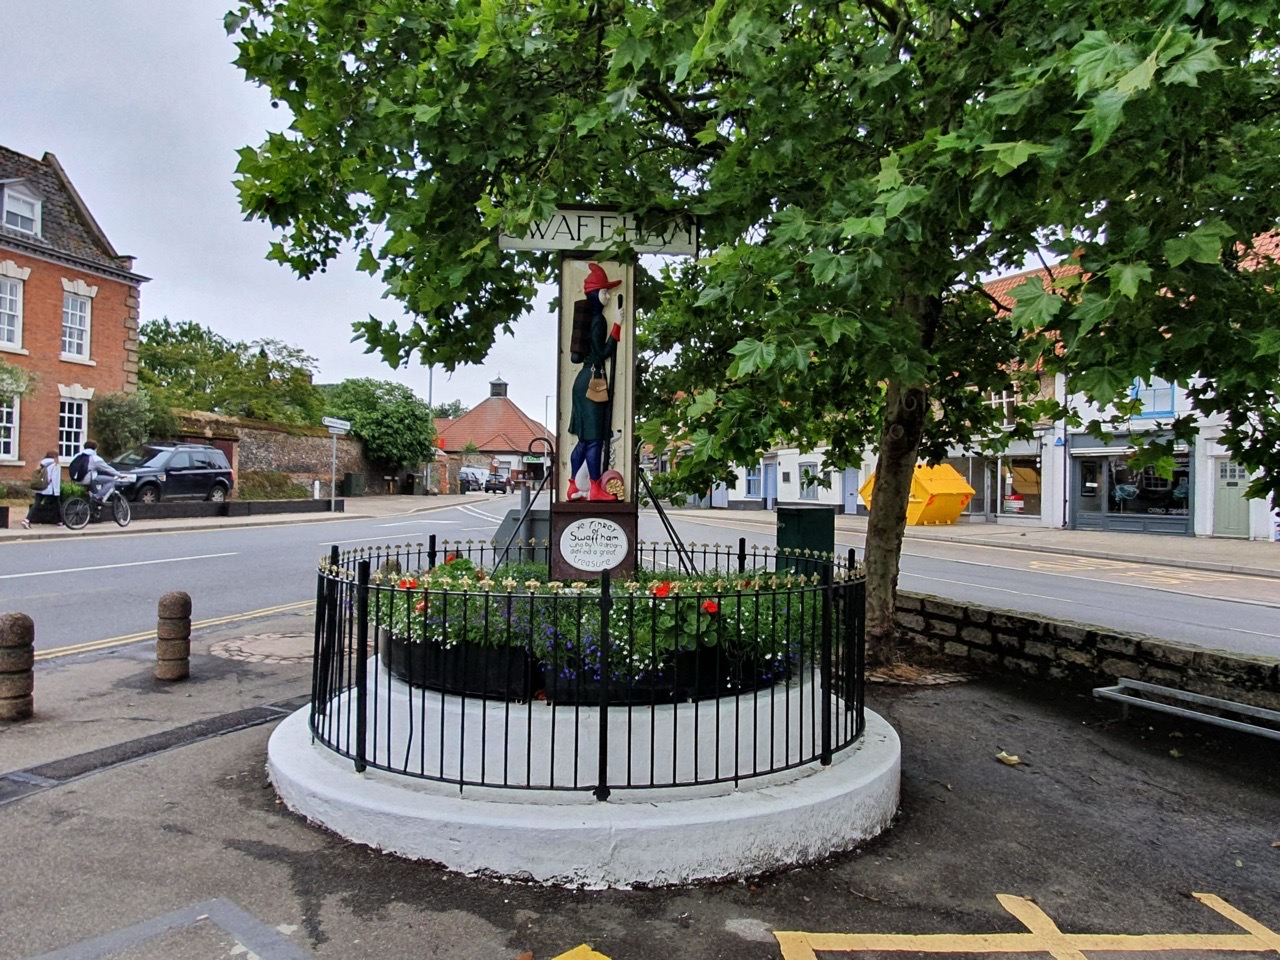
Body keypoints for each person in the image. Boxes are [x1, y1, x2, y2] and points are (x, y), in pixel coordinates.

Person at [567, 263, 622, 502]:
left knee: (584, 439)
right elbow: (601, 354)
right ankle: (595, 488)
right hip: (593, 381)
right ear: (593, 293)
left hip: (582, 381)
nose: (608, 296)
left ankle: (572, 486)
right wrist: (617, 327)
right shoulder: (598, 320)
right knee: (595, 440)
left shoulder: (584, 317)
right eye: (604, 292)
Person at [22, 451, 61, 529]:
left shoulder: (41, 463)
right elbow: (55, 479)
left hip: (41, 487)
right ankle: (60, 521)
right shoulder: (55, 465)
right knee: (57, 504)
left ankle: (27, 520)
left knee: (36, 504)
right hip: (50, 488)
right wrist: (57, 491)